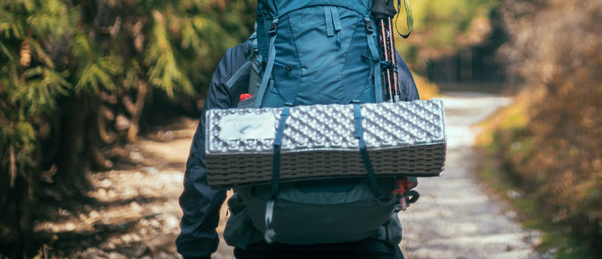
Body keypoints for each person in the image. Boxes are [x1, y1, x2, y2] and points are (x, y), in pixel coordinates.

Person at [176, 39, 420, 259]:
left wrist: (195, 247)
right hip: (370, 241)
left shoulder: (243, 59)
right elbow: (411, 158)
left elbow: (205, 162)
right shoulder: (383, 55)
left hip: (267, 240)